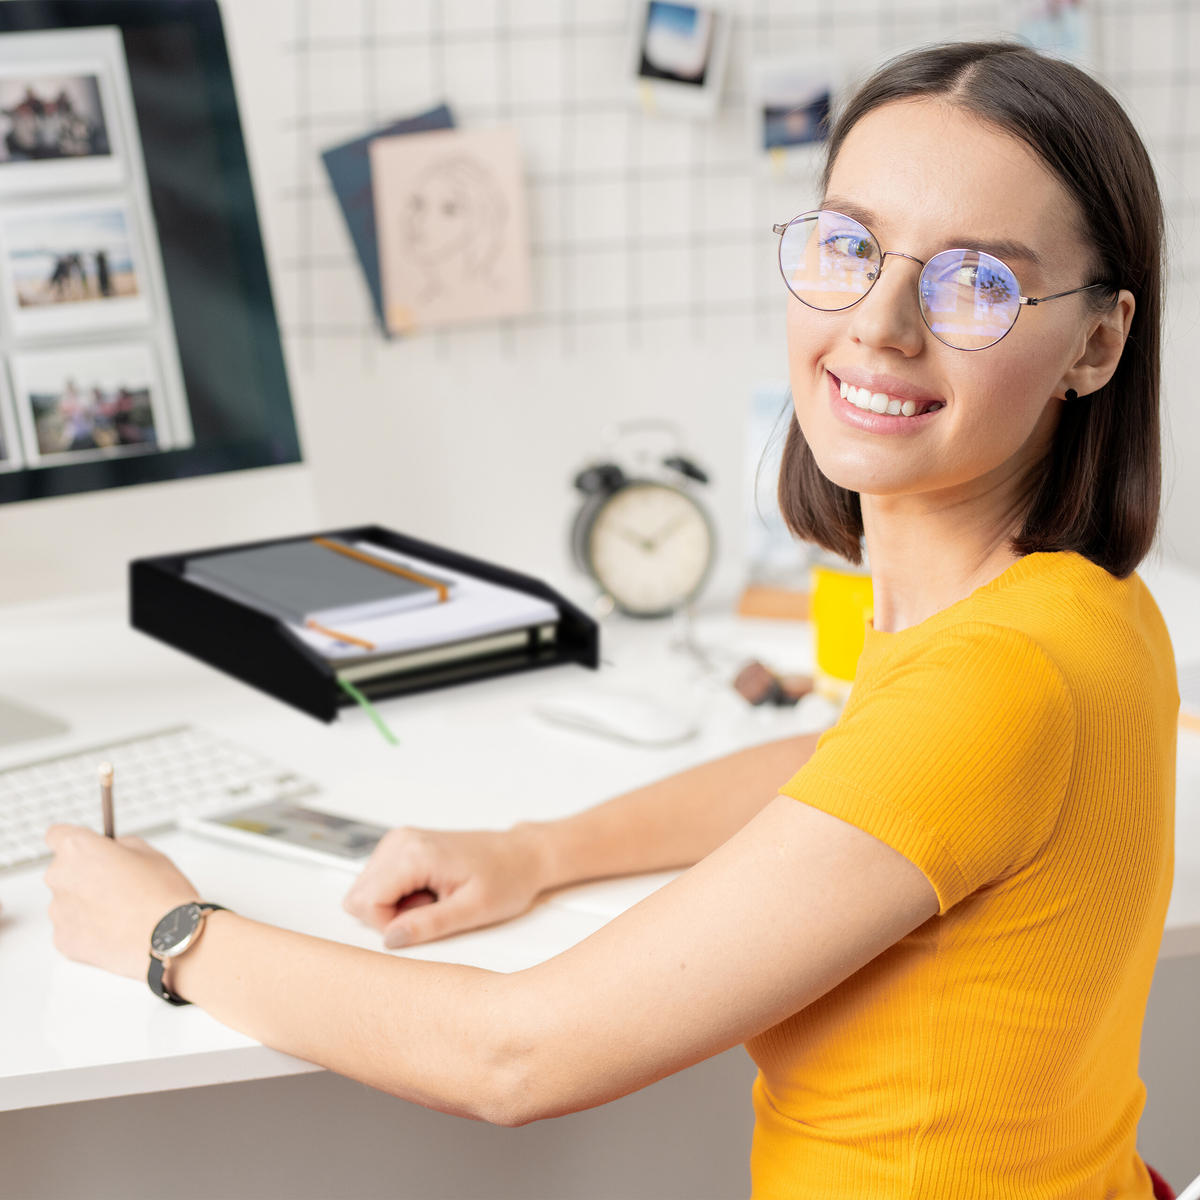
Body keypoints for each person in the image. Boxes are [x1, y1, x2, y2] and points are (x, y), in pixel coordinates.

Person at [43, 40, 1175, 1198]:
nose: (882, 323)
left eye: (976, 283)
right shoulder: (1083, 610)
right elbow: (846, 766)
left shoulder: (998, 684)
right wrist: (540, 852)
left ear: (1096, 343)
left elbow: (516, 1055)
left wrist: (170, 932)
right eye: (850, 247)